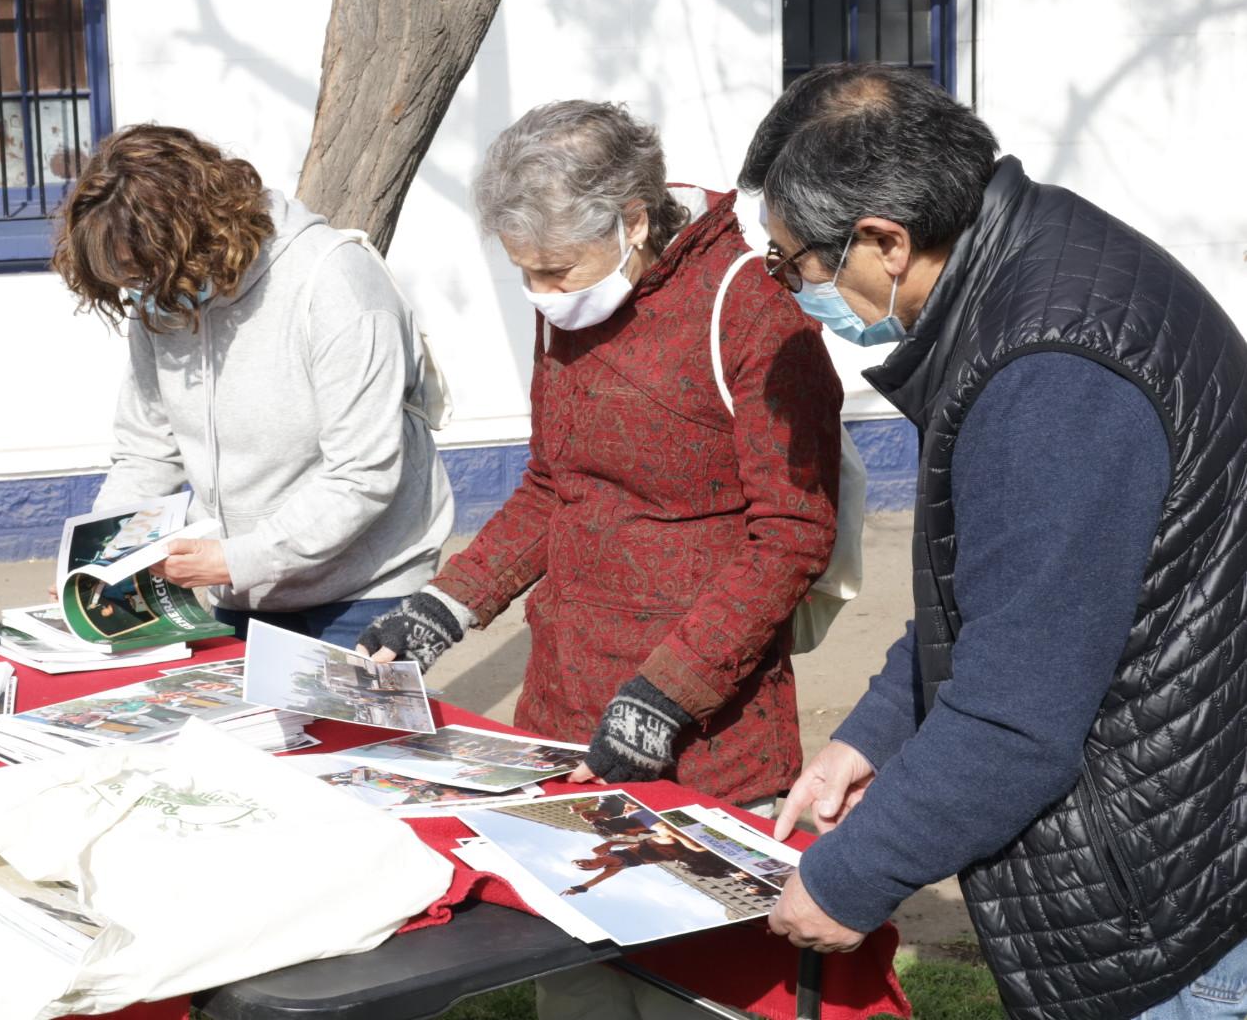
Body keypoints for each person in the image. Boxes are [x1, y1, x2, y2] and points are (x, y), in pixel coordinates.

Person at [746, 63, 1247, 1020]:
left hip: (1170, 908)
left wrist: (853, 877)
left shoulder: (1048, 370)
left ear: (885, 241)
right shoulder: (1035, 258)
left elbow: (1016, 715)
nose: (796, 287)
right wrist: (873, 735)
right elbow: (994, 594)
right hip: (1170, 838)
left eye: (798, 263)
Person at [356, 101, 841, 1020]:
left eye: (553, 270)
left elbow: (791, 533)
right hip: (565, 706)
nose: (541, 294)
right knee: (576, 985)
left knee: (690, 992)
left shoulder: (749, 305)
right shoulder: (569, 308)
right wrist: (445, 608)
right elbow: (554, 485)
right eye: (523, 273)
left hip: (708, 730)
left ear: (633, 222)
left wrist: (668, 694)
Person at [51, 124, 453, 649]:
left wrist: (236, 558)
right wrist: (93, 559)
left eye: (149, 274)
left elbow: (363, 475)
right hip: (241, 586)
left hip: (365, 586)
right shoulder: (162, 293)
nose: (144, 293)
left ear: (195, 238)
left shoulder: (334, 284)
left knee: (353, 735)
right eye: (130, 281)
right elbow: (147, 452)